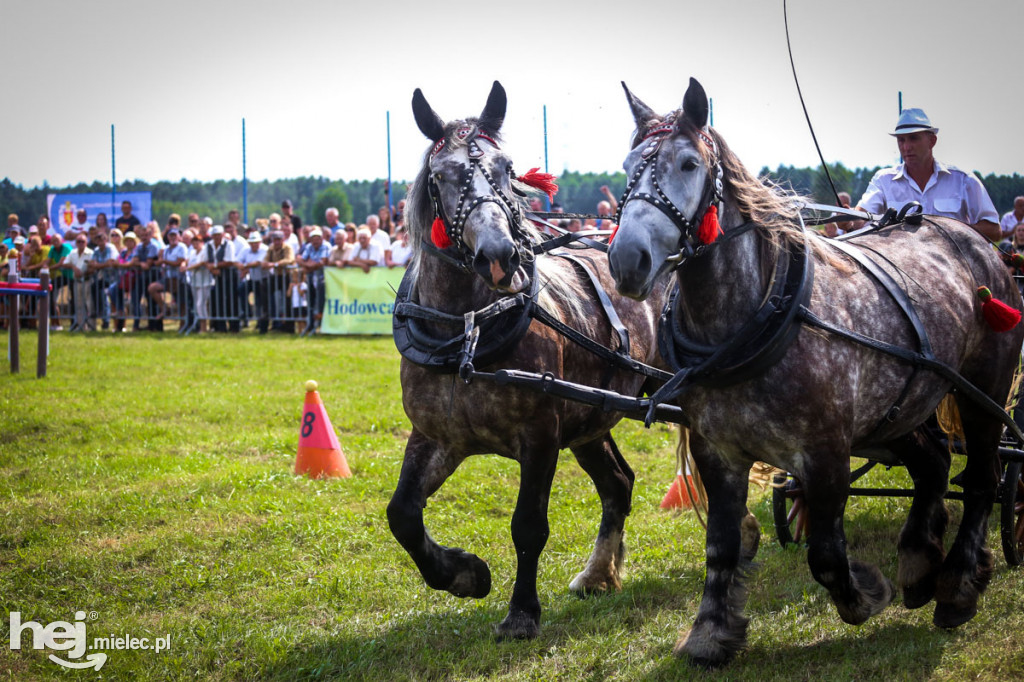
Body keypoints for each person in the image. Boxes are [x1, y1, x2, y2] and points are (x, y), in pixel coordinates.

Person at [854, 108, 1000, 240]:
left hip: (954, 266)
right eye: (901, 140)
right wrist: (849, 219)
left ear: (932, 141)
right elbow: (861, 217)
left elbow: (994, 230)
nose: (906, 147)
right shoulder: (883, 180)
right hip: (899, 267)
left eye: (913, 138)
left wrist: (952, 233)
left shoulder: (963, 180)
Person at [148, 228, 187, 331]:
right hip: (168, 278)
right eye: (171, 235)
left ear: (179, 237)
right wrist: (158, 262)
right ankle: (165, 308)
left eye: (175, 235)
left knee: (182, 304)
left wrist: (164, 261)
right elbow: (161, 262)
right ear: (168, 237)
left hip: (179, 279)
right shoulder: (166, 249)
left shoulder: (181, 247)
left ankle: (182, 326)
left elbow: (180, 262)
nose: (173, 237)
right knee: (152, 288)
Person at [297, 227, 331, 333]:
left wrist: (308, 266)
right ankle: (311, 323)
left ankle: (319, 323)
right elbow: (299, 260)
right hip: (311, 279)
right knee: (310, 301)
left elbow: (323, 262)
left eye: (318, 239)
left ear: (321, 239)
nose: (315, 241)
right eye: (313, 239)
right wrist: (309, 264)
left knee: (320, 301)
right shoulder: (309, 246)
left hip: (323, 280)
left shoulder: (326, 246)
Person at [205, 225, 238, 332]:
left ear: (223, 235)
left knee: (231, 301)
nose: (217, 237)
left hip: (229, 277)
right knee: (217, 301)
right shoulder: (208, 245)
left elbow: (230, 261)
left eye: (219, 235)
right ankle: (220, 326)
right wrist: (212, 269)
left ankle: (234, 327)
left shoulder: (229, 244)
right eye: (215, 235)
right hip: (216, 277)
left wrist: (214, 266)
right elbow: (205, 260)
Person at [261, 231, 295, 333]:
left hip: (288, 276)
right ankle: (265, 320)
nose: (277, 242)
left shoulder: (287, 248)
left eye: (279, 240)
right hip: (276, 276)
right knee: (264, 288)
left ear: (283, 240)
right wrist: (265, 264)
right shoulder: (270, 249)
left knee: (288, 300)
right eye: (275, 240)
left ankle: (289, 326)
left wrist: (274, 264)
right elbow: (265, 260)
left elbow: (289, 259)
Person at [127, 227, 160, 331]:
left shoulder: (153, 246)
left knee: (151, 302)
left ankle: (154, 326)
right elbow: (135, 261)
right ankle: (136, 325)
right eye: (142, 235)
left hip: (152, 277)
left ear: (150, 235)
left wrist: (139, 263)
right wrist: (141, 263)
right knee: (136, 300)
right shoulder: (139, 246)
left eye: (146, 235)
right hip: (141, 277)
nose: (144, 237)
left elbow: (148, 264)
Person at [236, 229, 268, 330]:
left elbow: (258, 262)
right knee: (241, 289)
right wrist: (241, 266)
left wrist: (245, 267)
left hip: (263, 279)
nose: (254, 245)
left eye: (256, 243)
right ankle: (247, 313)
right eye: (252, 243)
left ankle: (260, 321)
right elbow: (237, 261)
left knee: (260, 300)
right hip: (253, 278)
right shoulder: (245, 249)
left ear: (260, 242)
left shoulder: (264, 249)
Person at [62, 234, 94, 331]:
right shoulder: (72, 252)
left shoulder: (91, 253)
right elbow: (65, 263)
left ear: (86, 242)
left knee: (90, 304)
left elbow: (94, 266)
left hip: (88, 281)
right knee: (78, 304)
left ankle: (92, 326)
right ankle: (81, 326)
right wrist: (73, 268)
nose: (80, 243)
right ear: (75, 243)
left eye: (82, 241)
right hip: (77, 282)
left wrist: (84, 272)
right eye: (78, 241)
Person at [183, 232, 213, 333]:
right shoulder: (192, 252)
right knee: (197, 304)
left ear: (201, 242)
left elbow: (201, 263)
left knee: (201, 304)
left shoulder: (205, 251)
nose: (195, 245)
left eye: (197, 242)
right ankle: (200, 326)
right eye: (193, 242)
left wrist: (187, 268)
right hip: (194, 281)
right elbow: (187, 260)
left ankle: (204, 327)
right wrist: (183, 264)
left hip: (205, 281)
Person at [88, 230, 118, 330]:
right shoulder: (96, 250)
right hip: (102, 278)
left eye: (102, 240)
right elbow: (92, 264)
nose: (100, 243)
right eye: (98, 241)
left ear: (106, 240)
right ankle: (99, 312)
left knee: (105, 295)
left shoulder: (111, 248)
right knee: (95, 288)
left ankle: (106, 319)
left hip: (114, 278)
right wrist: (101, 266)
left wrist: (98, 266)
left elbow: (110, 262)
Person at [46, 234, 72, 330]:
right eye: (53, 240)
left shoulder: (66, 247)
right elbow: (47, 261)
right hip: (64, 276)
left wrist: (47, 268)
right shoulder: (52, 249)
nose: (55, 241)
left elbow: (61, 263)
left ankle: (73, 324)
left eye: (57, 239)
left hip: (73, 276)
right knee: (50, 292)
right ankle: (55, 323)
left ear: (61, 240)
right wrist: (43, 267)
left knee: (73, 299)